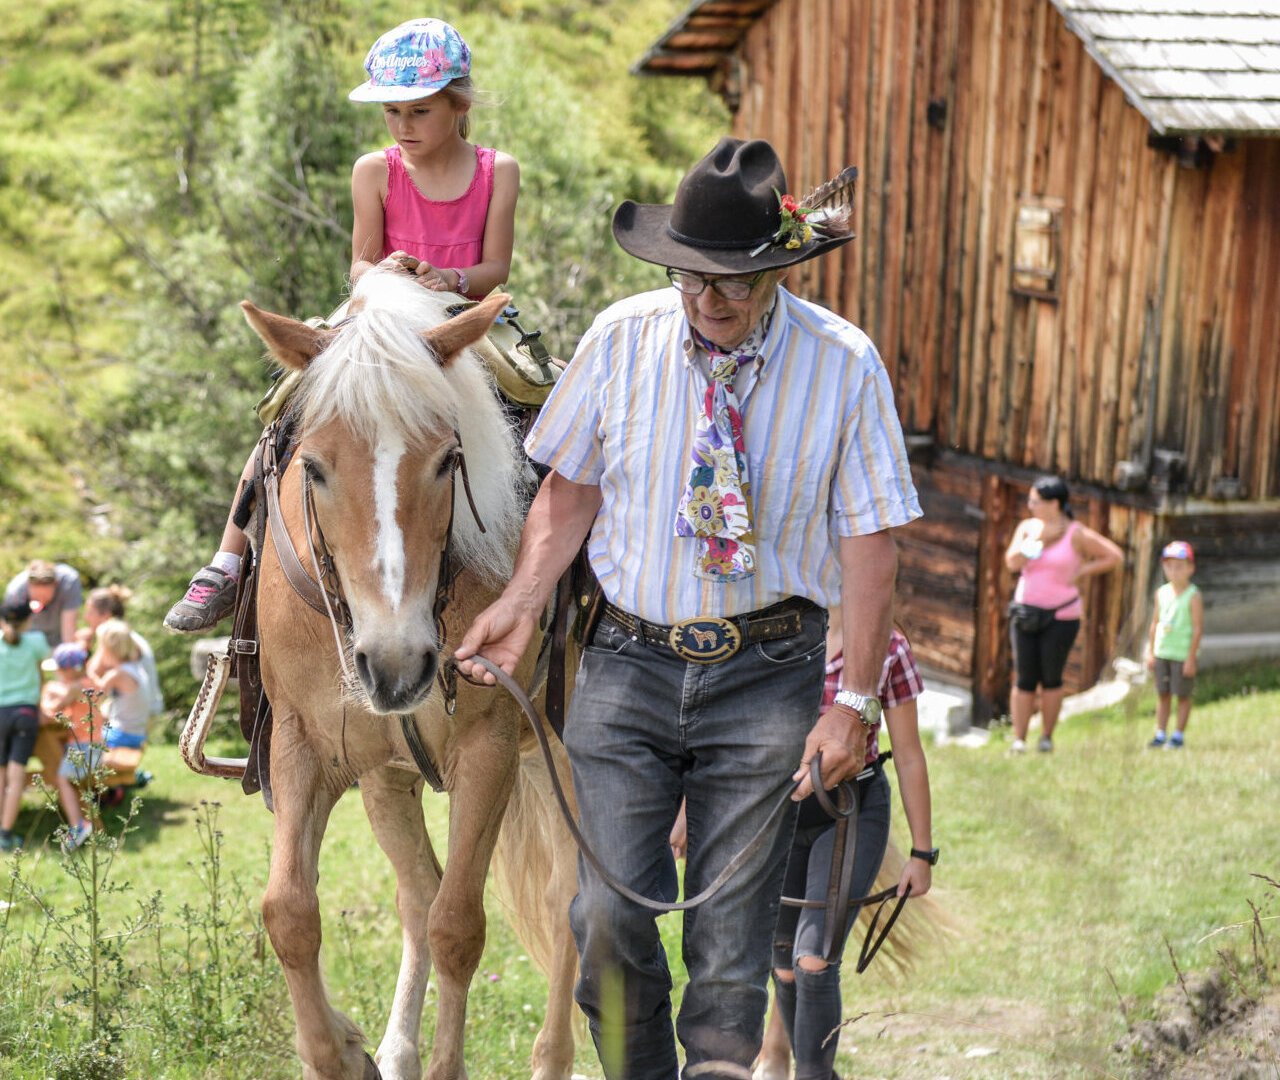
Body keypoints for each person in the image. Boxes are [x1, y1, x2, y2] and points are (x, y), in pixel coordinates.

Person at [455, 137, 920, 1080]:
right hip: (626, 661)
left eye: (733, 281)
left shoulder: (845, 365)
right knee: (605, 914)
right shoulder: (620, 339)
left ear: (778, 270)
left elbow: (872, 542)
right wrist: (520, 602)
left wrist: (855, 703)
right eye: (691, 276)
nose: (709, 299)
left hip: (769, 672)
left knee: (731, 940)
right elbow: (570, 492)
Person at [164, 16, 519, 633]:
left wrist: (449, 278)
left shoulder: (497, 170)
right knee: (287, 405)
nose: (404, 126)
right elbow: (359, 264)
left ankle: (560, 558)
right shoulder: (374, 170)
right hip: (379, 316)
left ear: (459, 105)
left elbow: (496, 268)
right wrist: (389, 272)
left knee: (533, 392)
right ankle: (227, 560)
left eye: (420, 111)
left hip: (461, 314)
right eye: (392, 112)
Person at [671, 617, 935, 1080]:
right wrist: (688, 809)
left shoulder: (888, 648)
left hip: (850, 807)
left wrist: (921, 853)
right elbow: (721, 731)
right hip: (781, 811)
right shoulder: (775, 628)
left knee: (813, 959)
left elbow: (910, 754)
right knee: (784, 965)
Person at [1003, 476, 1123, 753]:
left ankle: (1046, 738)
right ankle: (1019, 740)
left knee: (1051, 677)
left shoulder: (1076, 533)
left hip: (1061, 616)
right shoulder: (1028, 528)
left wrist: (1083, 571)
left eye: (1035, 501)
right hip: (1026, 612)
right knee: (1024, 678)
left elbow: (1114, 556)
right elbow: (1012, 563)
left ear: (1054, 503)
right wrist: (1040, 540)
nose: (1030, 505)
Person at [0, 600, 51, 851]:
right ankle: (5, 835)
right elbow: (41, 672)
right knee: (16, 774)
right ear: (29, 620)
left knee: (0, 775)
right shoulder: (36, 641)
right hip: (25, 713)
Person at [1145, 540, 1203, 749]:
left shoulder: (1193, 596)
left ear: (1190, 568)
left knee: (1183, 695)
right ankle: (1161, 733)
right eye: (1169, 567)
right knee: (1163, 693)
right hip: (1163, 651)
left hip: (1182, 654)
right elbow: (1155, 623)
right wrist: (1151, 651)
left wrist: (1191, 658)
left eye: (1179, 567)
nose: (1174, 571)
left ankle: (1178, 735)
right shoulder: (1161, 593)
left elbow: (1197, 628)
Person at [40, 644, 96, 850]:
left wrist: (46, 696)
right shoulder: (90, 682)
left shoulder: (76, 687)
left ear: (70, 669)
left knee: (62, 780)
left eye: (60, 670)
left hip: (84, 745)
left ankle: (78, 825)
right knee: (66, 777)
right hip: (94, 744)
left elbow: (53, 710)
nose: (58, 674)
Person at [82, 585, 163, 718]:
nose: (86, 617)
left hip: (140, 713)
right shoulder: (124, 635)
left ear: (106, 615)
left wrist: (83, 647)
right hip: (147, 707)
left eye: (90, 612)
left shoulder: (113, 639)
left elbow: (92, 673)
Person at [85, 619, 152, 752]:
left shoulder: (117, 675)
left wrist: (90, 671)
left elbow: (95, 698)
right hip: (137, 734)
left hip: (122, 735)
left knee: (80, 735)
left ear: (106, 648)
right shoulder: (134, 668)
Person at [3, 559, 82, 648]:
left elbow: (69, 630)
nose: (41, 601)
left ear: (56, 584)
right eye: (37, 597)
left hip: (58, 641)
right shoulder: (15, 592)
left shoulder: (69, 583)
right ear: (28, 585)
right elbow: (10, 629)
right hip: (29, 643)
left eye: (44, 597)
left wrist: (68, 651)